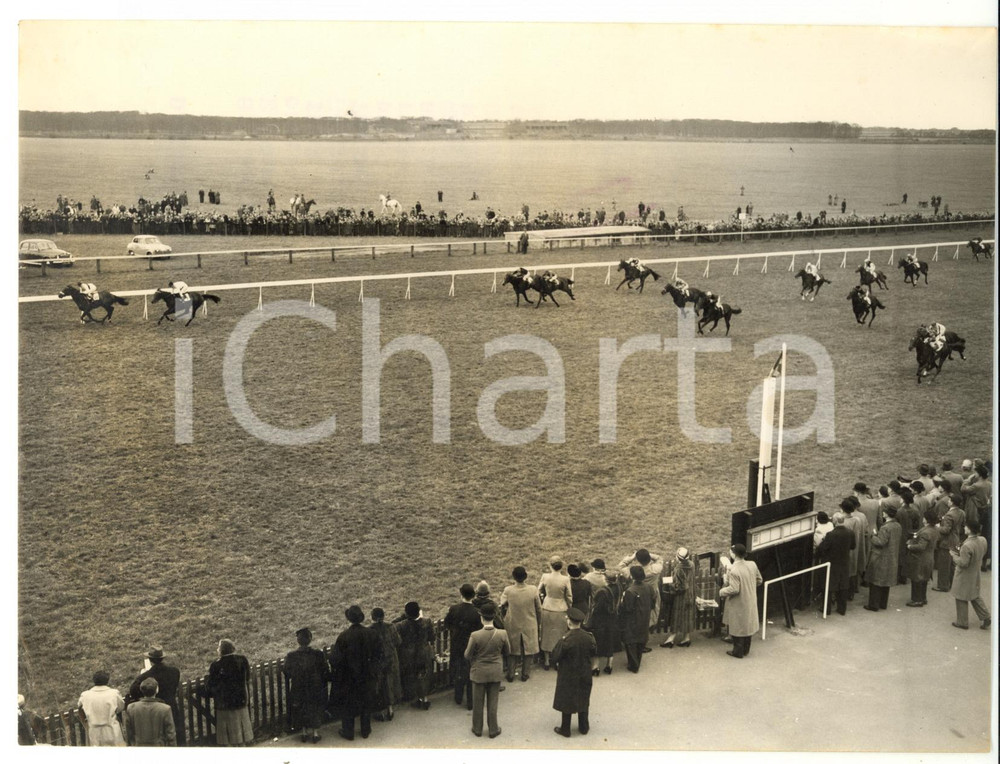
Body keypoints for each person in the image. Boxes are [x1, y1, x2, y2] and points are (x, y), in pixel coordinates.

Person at [330, 605, 381, 741]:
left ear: (349, 618)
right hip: (367, 675)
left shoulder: (344, 636)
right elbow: (378, 654)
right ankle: (365, 730)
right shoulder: (371, 634)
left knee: (349, 705)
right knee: (365, 702)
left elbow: (335, 659)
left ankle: (348, 732)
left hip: (349, 677)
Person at [464, 603, 509, 739]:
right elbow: (508, 651)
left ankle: (477, 728)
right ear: (494, 617)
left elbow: (467, 655)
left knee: (478, 702)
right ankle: (493, 729)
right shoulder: (502, 633)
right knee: (493, 702)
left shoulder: (475, 635)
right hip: (495, 671)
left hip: (479, 672)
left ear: (482, 618)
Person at [126, 646, 184, 746]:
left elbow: (133, 691)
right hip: (171, 707)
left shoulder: (146, 676)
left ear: (150, 659)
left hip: (154, 712)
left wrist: (144, 674)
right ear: (162, 658)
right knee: (172, 735)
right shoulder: (174, 671)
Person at [552, 607, 596, 738]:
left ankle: (565, 729)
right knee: (583, 697)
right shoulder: (589, 637)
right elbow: (594, 652)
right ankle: (584, 727)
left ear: (569, 622)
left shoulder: (566, 639)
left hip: (568, 675)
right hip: (585, 673)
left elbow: (555, 657)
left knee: (567, 699)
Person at [200, 639, 253, 746]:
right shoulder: (242, 660)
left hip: (225, 704)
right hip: (241, 701)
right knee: (241, 735)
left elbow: (211, 686)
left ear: (221, 650)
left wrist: (203, 689)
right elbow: (247, 677)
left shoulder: (216, 665)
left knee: (228, 737)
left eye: (218, 647)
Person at [282, 627, 329, 743]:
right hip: (315, 687)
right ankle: (315, 733)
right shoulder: (318, 654)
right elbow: (325, 670)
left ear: (298, 641)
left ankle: (304, 733)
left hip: (299, 687)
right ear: (310, 639)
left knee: (301, 708)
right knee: (314, 708)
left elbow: (287, 672)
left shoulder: (291, 655)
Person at [718, 544, 763, 658]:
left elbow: (734, 589)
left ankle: (737, 651)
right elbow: (759, 580)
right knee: (747, 625)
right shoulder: (752, 564)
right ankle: (746, 650)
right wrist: (749, 587)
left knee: (737, 626)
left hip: (738, 602)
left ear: (733, 554)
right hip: (750, 600)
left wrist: (721, 591)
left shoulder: (734, 570)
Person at [499, 566, 542, 682]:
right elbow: (539, 608)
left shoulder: (508, 590)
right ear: (525, 577)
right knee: (528, 650)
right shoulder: (533, 589)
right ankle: (525, 674)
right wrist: (538, 622)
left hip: (513, 623)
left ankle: (511, 674)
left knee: (512, 650)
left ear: (514, 577)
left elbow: (502, 603)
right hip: (529, 623)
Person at [444, 584, 482, 708]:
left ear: (461, 595)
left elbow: (447, 623)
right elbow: (479, 630)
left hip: (457, 644)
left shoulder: (454, 609)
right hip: (471, 645)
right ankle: (470, 702)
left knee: (459, 671)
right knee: (471, 672)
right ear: (474, 595)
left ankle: (458, 697)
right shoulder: (476, 612)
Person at [950, 519, 991, 630]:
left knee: (961, 596)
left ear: (969, 529)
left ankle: (962, 622)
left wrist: (954, 555)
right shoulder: (982, 540)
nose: (964, 528)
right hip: (975, 572)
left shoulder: (967, 545)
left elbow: (963, 563)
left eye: (966, 527)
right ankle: (985, 616)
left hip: (964, 575)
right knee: (974, 595)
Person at [618, 548, 664, 646]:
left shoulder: (633, 572)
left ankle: (638, 642)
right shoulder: (656, 569)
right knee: (650, 616)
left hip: (636, 596)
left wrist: (632, 557)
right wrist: (648, 554)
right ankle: (644, 640)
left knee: (637, 617)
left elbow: (621, 565)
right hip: (652, 595)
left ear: (638, 560)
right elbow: (659, 558)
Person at [396, 601, 434, 709]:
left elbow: (393, 625)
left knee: (411, 676)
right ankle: (424, 699)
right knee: (424, 676)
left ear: (407, 614)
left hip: (409, 655)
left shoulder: (401, 625)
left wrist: (402, 617)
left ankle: (414, 698)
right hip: (423, 653)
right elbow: (432, 638)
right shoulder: (427, 622)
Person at [864, 506, 902, 612]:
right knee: (885, 583)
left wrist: (873, 536)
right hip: (892, 556)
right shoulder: (898, 526)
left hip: (881, 557)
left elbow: (880, 542)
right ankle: (882, 603)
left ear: (886, 514)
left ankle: (873, 605)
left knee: (876, 582)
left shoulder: (885, 527)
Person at [818, 512, 856, 615]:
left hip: (832, 563)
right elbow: (853, 546)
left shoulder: (831, 535)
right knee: (843, 585)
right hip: (844, 562)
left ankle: (827, 608)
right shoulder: (850, 533)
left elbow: (822, 548)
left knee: (829, 586)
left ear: (834, 521)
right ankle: (842, 609)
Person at [619, 565, 655, 672]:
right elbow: (653, 602)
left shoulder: (630, 591)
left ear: (632, 576)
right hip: (645, 617)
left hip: (632, 619)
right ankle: (636, 661)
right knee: (641, 639)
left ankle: (634, 665)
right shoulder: (649, 587)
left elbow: (628, 608)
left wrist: (622, 602)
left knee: (630, 641)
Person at [539, 557, 573, 670]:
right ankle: (558, 661)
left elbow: (539, 590)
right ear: (561, 566)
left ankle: (547, 661)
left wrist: (544, 597)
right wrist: (569, 607)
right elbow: (569, 596)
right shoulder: (565, 579)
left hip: (548, 606)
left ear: (550, 565)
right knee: (559, 635)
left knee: (547, 634)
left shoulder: (545, 576)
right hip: (560, 607)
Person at [369, 607, 402, 722]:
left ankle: (381, 711)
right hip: (391, 659)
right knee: (390, 683)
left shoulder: (370, 630)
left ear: (372, 617)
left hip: (377, 661)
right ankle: (390, 709)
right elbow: (398, 641)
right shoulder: (391, 627)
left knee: (379, 685)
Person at [123, 678, 176, 746]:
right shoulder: (165, 709)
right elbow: (171, 735)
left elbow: (128, 733)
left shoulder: (131, 708)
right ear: (157, 690)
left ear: (141, 690)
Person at [77, 670, 125, 746]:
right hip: (112, 729)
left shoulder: (85, 695)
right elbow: (120, 707)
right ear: (107, 680)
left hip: (94, 731)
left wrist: (86, 722)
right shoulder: (114, 693)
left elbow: (80, 709)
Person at [662, 547, 696, 646]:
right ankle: (686, 638)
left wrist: (670, 584)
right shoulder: (692, 565)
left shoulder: (679, 569)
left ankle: (671, 639)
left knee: (677, 617)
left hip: (681, 597)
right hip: (691, 594)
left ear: (678, 557)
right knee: (687, 616)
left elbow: (680, 586)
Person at [906, 509, 939, 607]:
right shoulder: (935, 529)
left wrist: (910, 546)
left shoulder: (925, 532)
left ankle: (916, 600)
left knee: (917, 579)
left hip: (920, 558)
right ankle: (923, 598)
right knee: (924, 579)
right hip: (929, 557)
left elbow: (921, 547)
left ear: (927, 519)